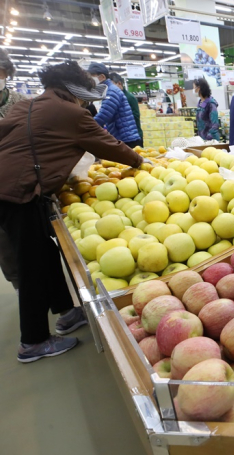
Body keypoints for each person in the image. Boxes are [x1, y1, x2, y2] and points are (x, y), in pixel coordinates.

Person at [0, 62, 145, 363]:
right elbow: (110, 146)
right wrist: (141, 162)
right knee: (32, 266)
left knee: (46, 253)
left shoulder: (24, 106)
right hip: (21, 194)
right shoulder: (72, 113)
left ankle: (67, 313)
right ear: (74, 93)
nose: (86, 103)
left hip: (16, 190)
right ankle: (33, 341)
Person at [0, 48, 25, 293]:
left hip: (24, 185)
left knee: (31, 246)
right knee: (5, 246)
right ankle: (20, 288)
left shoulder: (21, 103)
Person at [88, 63, 142, 148]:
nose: (91, 81)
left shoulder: (111, 91)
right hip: (124, 136)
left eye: (92, 77)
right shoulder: (108, 90)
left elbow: (104, 115)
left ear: (102, 77)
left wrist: (85, 126)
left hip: (127, 139)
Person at [109, 72, 143, 141]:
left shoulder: (129, 97)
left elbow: (136, 116)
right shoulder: (115, 97)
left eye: (112, 85)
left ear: (119, 83)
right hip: (122, 136)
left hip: (133, 136)